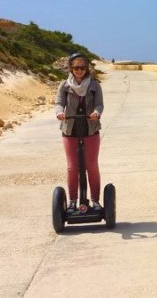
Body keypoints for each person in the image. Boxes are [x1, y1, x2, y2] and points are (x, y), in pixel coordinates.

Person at [55, 53, 104, 211]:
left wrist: (96, 113)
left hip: (90, 129)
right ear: (71, 68)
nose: (79, 71)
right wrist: (59, 113)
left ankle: (95, 201)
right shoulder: (64, 85)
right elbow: (59, 103)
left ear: (87, 68)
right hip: (70, 129)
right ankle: (72, 201)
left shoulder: (94, 85)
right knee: (72, 167)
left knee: (92, 166)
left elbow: (99, 104)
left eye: (83, 67)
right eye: (76, 67)